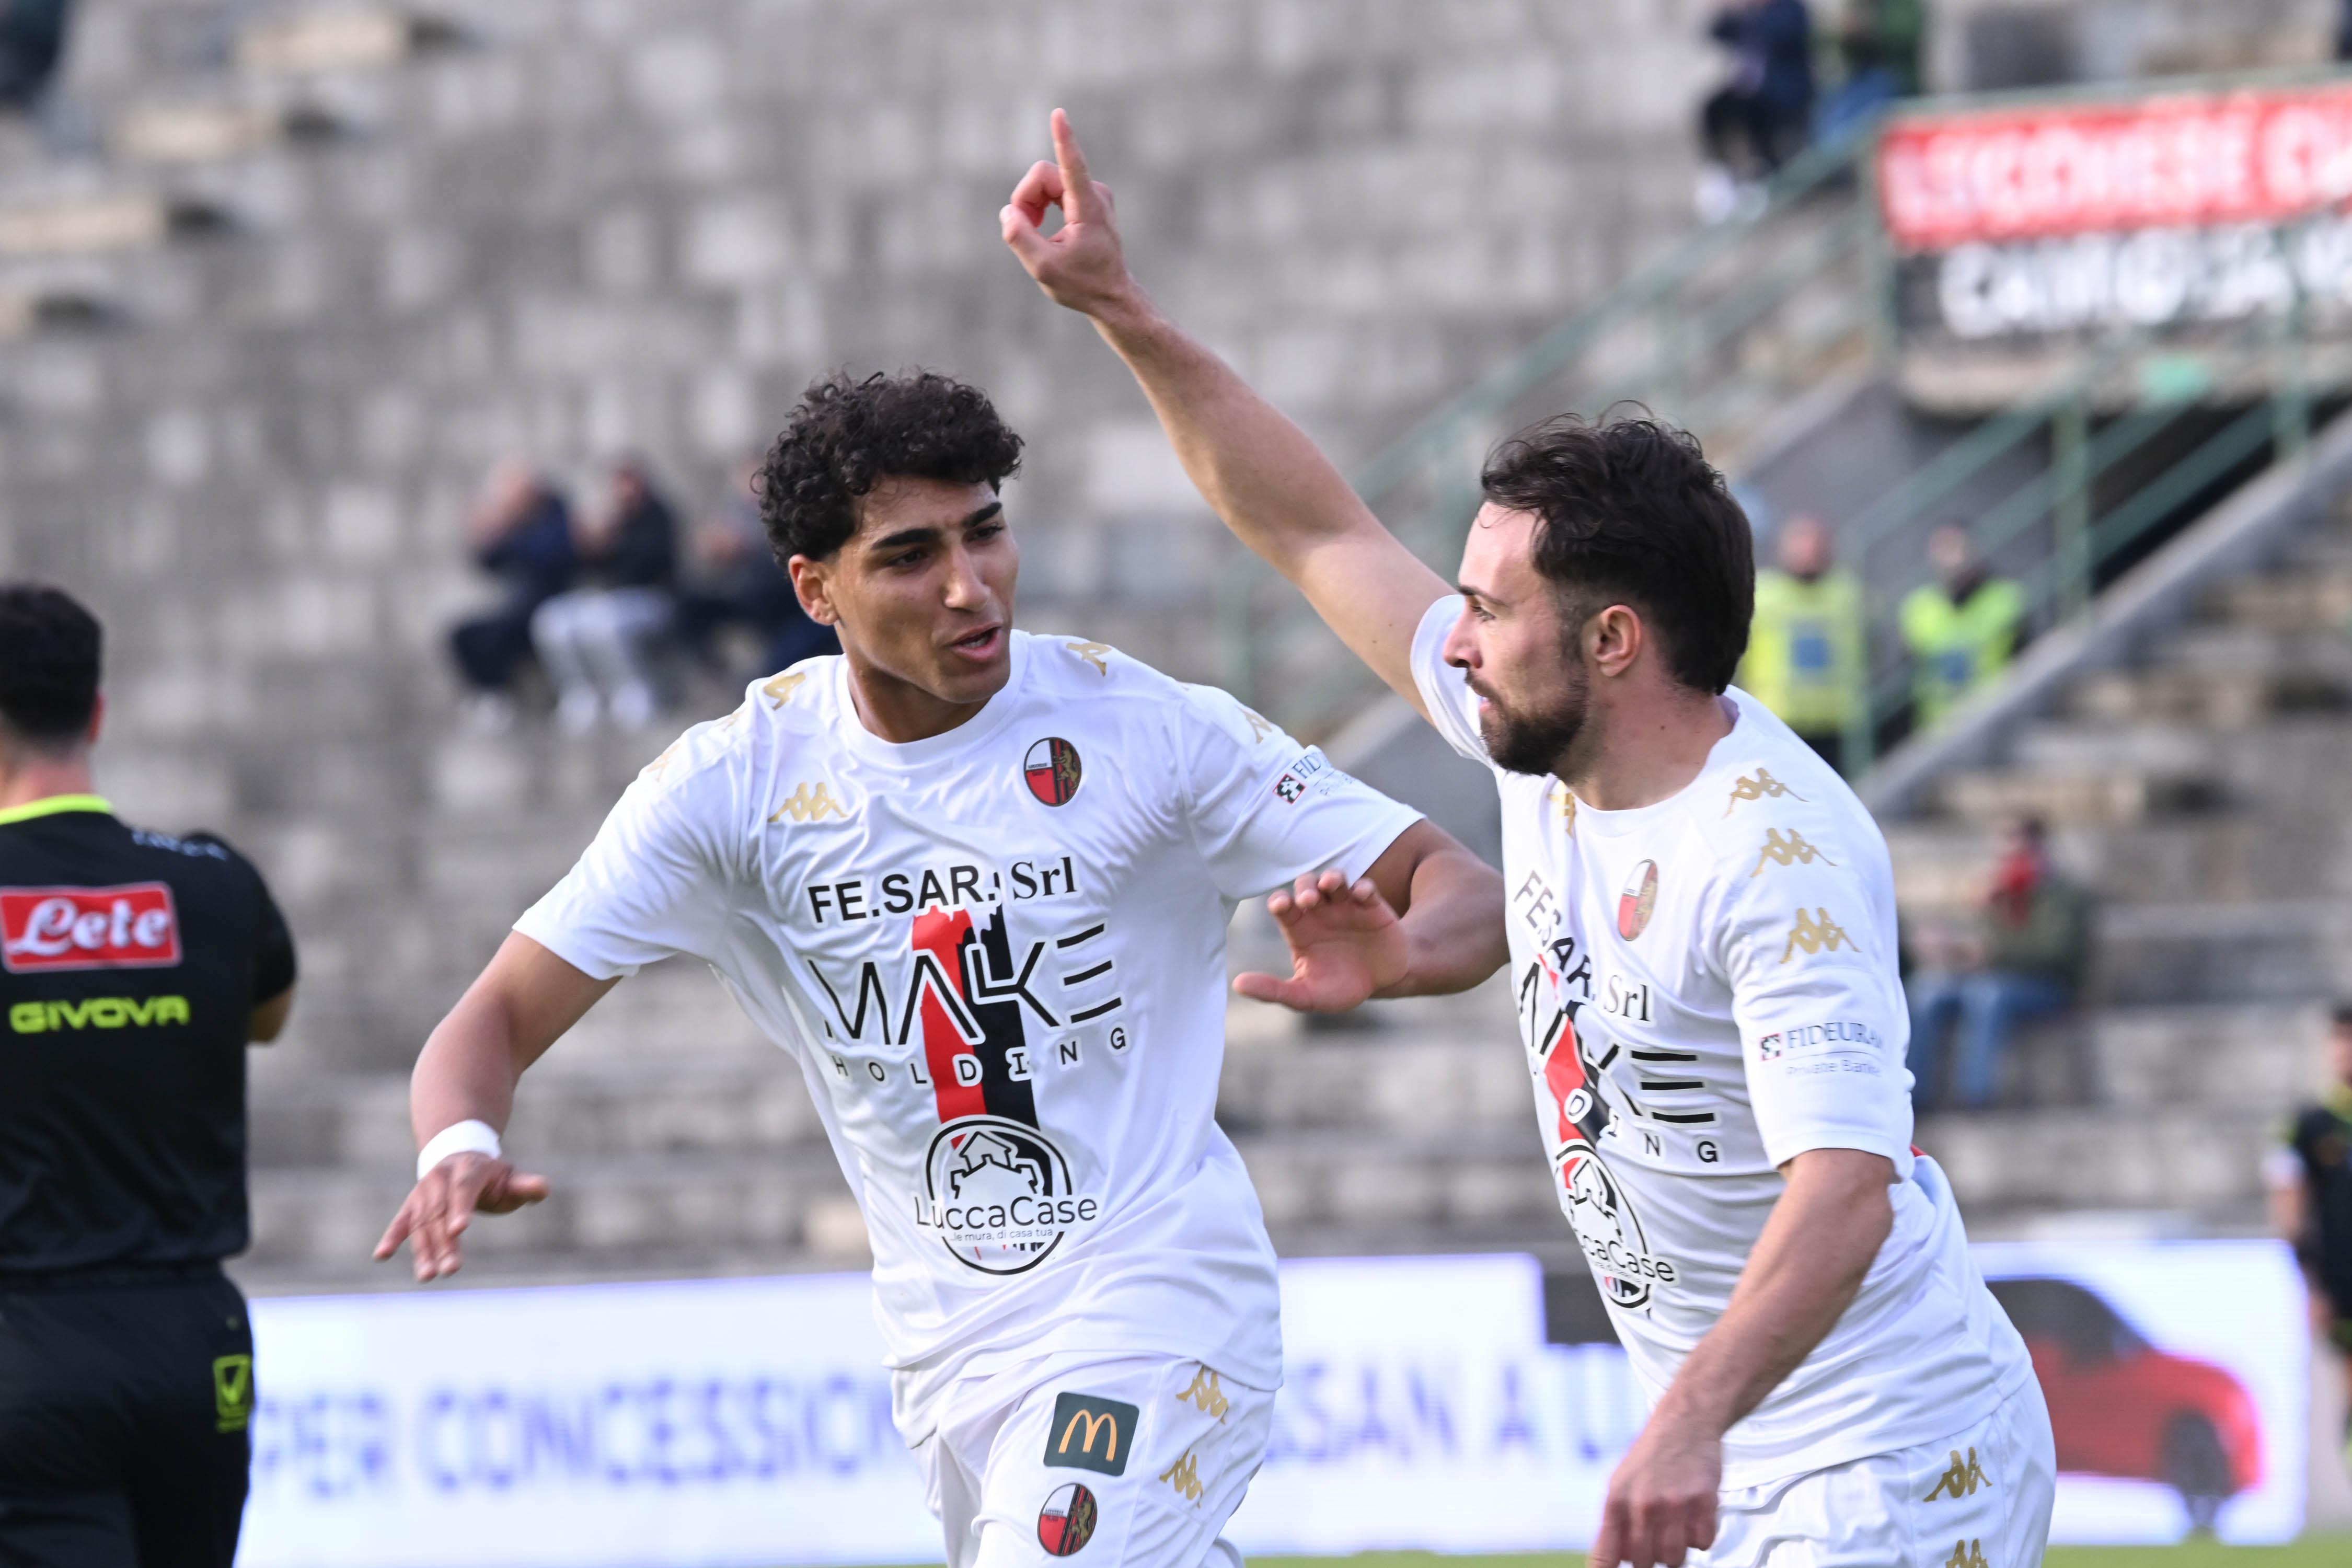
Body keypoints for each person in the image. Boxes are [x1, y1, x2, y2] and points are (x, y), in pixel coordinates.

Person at [1006, 111, 2049, 1568]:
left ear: (1611, 640)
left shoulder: (1775, 851)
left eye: (1490, 609)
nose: (1455, 637)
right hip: (1734, 1446)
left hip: (1889, 1457)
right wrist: (1122, 310)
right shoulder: (1546, 743)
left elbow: (1846, 1191)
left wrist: (1684, 1421)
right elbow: (1315, 533)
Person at [373, 370, 1506, 1568]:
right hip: (945, 1347)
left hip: (1156, 1298)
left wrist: (1400, 957)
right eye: (910, 556)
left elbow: (1465, 891)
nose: (970, 585)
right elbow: (494, 1015)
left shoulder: (1145, 730)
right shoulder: (736, 785)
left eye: (985, 532)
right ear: (813, 588)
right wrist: (458, 1144)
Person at [0, 583, 297, 1567]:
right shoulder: (213, 882)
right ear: (96, 712)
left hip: (25, 1350)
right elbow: (265, 1020)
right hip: (193, 1343)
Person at [1903, 815, 2091, 1113]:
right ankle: (1914, 1095)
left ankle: (1975, 1095)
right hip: (1992, 978)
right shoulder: (1998, 893)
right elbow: (1979, 943)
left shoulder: (2062, 896)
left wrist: (1995, 953)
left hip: (2047, 986)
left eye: (2019, 849)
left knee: (1988, 995)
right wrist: (1950, 946)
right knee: (1926, 992)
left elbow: (2055, 953)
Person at [531, 458, 682, 733]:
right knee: (552, 620)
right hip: (609, 598)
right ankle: (580, 693)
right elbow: (578, 569)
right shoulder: (608, 519)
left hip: (654, 599)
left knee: (604, 622)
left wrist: (614, 542)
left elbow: (650, 565)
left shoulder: (658, 516)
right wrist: (586, 544)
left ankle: (633, 690)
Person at [2268, 1006, 2352, 1450]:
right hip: (2343, 1281)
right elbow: (2289, 1204)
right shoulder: (2309, 1126)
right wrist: (2310, 1283)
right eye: (2340, 1039)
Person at [673, 457, 839, 680]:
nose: (751, 487)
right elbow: (708, 565)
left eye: (757, 479)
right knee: (688, 605)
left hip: (790, 604)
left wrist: (747, 548)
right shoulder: (735, 512)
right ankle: (711, 665)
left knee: (777, 666)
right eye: (745, 480)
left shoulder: (789, 510)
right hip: (746, 596)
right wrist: (714, 553)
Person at [448, 459, 575, 733]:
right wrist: (487, 537)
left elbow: (549, 556)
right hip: (520, 605)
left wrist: (509, 533)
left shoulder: (554, 513)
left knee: (499, 636)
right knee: (464, 635)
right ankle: (492, 695)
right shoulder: (518, 524)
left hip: (550, 603)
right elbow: (491, 563)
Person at [1736, 515, 1864, 775]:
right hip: (1777, 719)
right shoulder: (1763, 593)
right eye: (1801, 544)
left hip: (1834, 719)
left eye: (1815, 545)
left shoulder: (1847, 593)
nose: (1809, 552)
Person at [1696, 0, 1815, 220]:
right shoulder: (1750, 17)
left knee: (1752, 114)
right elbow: (1718, 32)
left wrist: (1748, 12)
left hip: (1783, 94)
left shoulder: (1789, 10)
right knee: (1714, 109)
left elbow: (1776, 33)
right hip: (1751, 93)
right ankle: (1722, 172)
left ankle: (1761, 174)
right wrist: (1726, 10)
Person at [1900, 523, 2025, 731]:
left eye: (1955, 548)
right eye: (1942, 549)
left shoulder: (2005, 600)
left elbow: (2025, 660)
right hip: (1937, 726)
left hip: (1994, 722)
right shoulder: (1919, 607)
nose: (1950, 560)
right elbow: (1908, 677)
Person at [1815, 0, 1925, 146]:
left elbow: (1904, 35)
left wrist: (1867, 31)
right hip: (1856, 81)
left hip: (1891, 84)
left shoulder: (1901, 7)